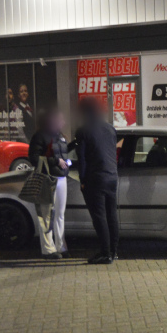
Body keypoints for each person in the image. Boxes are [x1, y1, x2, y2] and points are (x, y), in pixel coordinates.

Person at [75, 97, 120, 265]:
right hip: (112, 177)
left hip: (95, 179)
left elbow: (82, 159)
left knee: (99, 217)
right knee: (111, 215)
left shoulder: (83, 131)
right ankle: (114, 251)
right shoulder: (110, 129)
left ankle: (105, 253)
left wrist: (82, 180)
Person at [28, 108, 69, 260]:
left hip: (61, 178)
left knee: (59, 214)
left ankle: (60, 246)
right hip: (46, 178)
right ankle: (48, 249)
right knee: (46, 215)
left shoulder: (60, 136)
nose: (63, 122)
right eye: (60, 119)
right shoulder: (39, 136)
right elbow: (33, 157)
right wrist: (55, 161)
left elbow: (64, 153)